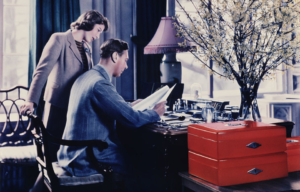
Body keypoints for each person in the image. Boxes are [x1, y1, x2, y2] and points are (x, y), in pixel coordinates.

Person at [57, 39, 166, 191]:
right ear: (115, 56)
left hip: (71, 152)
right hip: (86, 157)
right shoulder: (100, 84)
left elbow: (106, 106)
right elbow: (133, 120)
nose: (126, 66)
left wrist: (130, 105)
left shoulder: (88, 77)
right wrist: (155, 113)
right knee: (142, 165)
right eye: (125, 60)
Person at [20, 10, 109, 160]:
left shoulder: (87, 47)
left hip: (76, 107)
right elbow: (42, 71)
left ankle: (48, 183)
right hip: (57, 104)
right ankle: (42, 183)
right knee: (50, 151)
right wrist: (31, 100)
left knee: (66, 154)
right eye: (98, 30)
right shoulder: (59, 39)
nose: (98, 36)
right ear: (90, 23)